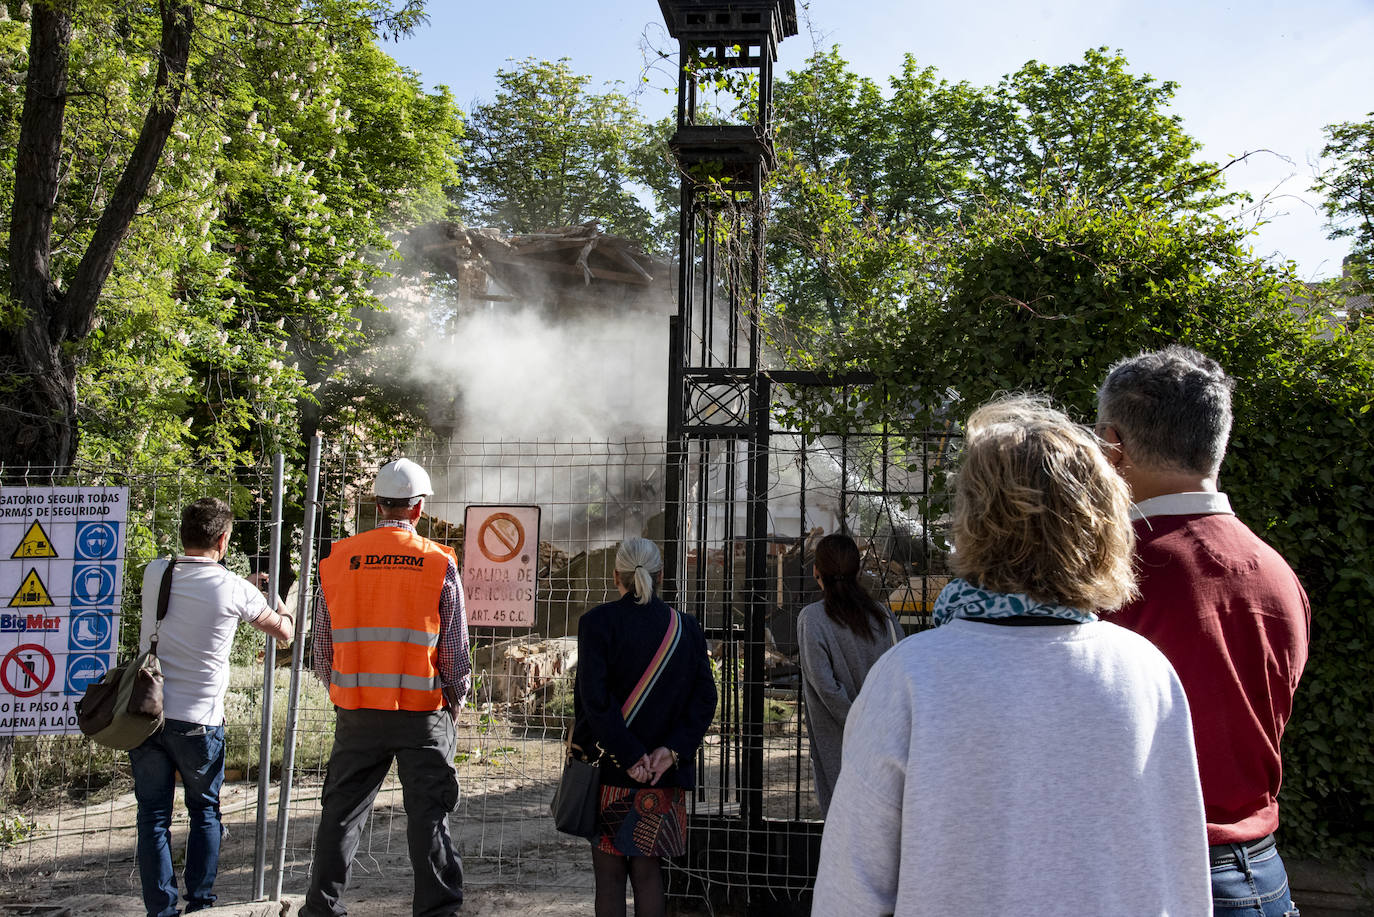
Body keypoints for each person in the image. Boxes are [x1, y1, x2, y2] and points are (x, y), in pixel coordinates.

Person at [813, 395, 1211, 916]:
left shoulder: (912, 676)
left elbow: (851, 891)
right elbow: (1181, 870)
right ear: (1101, 517)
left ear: (973, 519)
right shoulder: (1146, 669)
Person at [1098, 346, 1310, 917]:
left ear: (1111, 446)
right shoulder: (1276, 572)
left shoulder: (1105, 574)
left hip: (1145, 873)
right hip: (1260, 872)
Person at [303, 458, 471, 917]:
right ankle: (437, 911)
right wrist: (454, 701)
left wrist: (344, 692)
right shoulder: (437, 561)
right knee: (429, 816)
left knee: (341, 815)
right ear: (418, 510)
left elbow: (322, 648)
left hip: (358, 712)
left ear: (378, 505)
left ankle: (321, 909)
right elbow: (455, 650)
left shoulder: (339, 559)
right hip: (422, 714)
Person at [131, 498, 294, 917]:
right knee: (204, 809)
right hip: (199, 721)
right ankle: (200, 902)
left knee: (152, 817)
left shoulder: (155, 572)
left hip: (147, 714)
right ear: (223, 540)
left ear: (183, 533)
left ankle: (160, 909)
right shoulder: (234, 588)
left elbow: (189, 591)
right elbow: (285, 635)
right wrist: (279, 602)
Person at [574, 537, 717, 917]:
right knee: (650, 874)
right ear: (662, 575)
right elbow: (705, 698)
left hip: (612, 770)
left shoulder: (596, 624)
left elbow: (594, 702)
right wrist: (669, 752)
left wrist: (629, 753)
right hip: (662, 775)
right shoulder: (685, 628)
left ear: (615, 575)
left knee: (608, 878)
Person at [796, 533, 900, 815]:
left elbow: (825, 686)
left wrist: (857, 722)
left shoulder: (812, 619)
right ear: (857, 570)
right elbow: (901, 673)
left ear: (816, 571)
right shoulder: (884, 617)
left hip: (840, 745)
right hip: (886, 740)